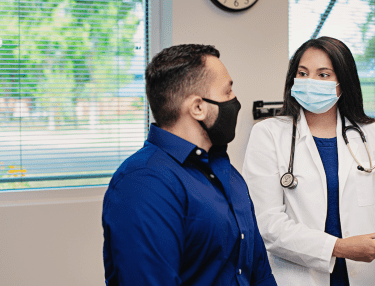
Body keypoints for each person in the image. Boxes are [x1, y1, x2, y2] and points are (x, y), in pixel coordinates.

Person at [242, 37, 375, 286]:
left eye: (323, 75)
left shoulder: (370, 133)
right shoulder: (268, 133)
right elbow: (267, 223)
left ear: (343, 82)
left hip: (365, 276)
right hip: (297, 277)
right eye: (303, 73)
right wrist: (339, 247)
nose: (310, 82)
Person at [102, 44, 277, 286]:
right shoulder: (143, 183)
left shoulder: (227, 173)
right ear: (198, 108)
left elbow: (259, 272)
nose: (235, 101)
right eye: (227, 92)